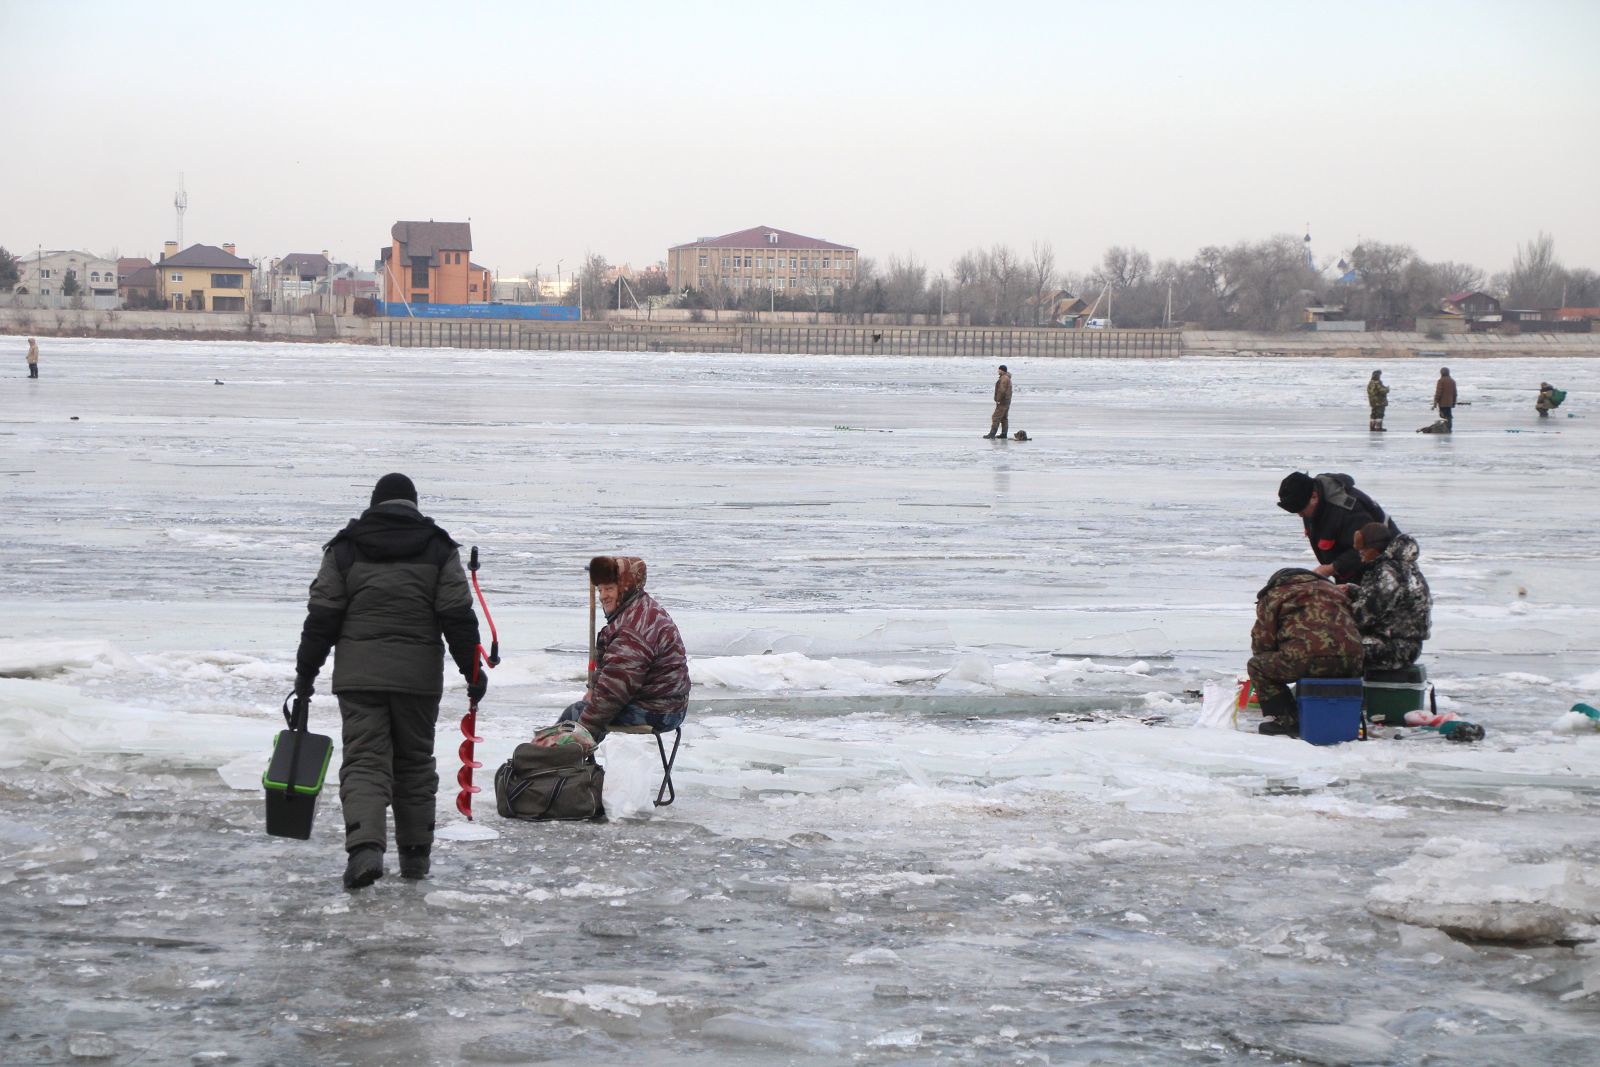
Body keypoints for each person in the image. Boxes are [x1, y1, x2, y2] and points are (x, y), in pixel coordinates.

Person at [294, 473, 484, 890]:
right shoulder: (438, 548)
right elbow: (457, 616)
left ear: (374, 503)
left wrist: (305, 674)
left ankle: (365, 850)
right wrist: (472, 672)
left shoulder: (345, 547)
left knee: (365, 761)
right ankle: (415, 859)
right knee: (414, 763)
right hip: (418, 679)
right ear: (414, 504)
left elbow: (322, 617)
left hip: (359, 677)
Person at [544, 555, 689, 749]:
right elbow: (613, 670)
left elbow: (614, 690)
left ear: (627, 586)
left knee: (576, 717)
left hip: (660, 710)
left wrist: (581, 731)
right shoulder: (638, 608)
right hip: (665, 704)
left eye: (610, 588)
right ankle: (572, 770)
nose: (603, 595)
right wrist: (594, 689)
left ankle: (555, 767)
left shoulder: (635, 626)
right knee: (585, 712)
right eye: (600, 589)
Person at [1248, 568, 1365, 736]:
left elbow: (1262, 643)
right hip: (1353, 661)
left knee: (1257, 666)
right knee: (1326, 664)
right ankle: (1344, 716)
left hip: (1304, 659)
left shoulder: (1274, 595)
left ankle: (1285, 720)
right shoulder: (1336, 592)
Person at [1277, 471, 1400, 584]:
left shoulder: (1347, 511)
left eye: (1301, 510)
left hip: (1386, 571)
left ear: (1314, 497)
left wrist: (1333, 567)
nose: (1300, 515)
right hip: (1349, 572)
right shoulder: (1311, 501)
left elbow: (1369, 548)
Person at [1347, 521, 1431, 671]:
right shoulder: (1401, 567)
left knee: (1335, 649)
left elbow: (1364, 616)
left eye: (1363, 551)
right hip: (1405, 644)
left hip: (1396, 648)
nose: (1361, 557)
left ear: (1374, 550)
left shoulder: (1389, 573)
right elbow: (1385, 600)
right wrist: (1352, 591)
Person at [982, 364, 1012, 440]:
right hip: (1006, 401)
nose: (998, 371)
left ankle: (992, 434)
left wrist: (998, 399)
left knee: (996, 417)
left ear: (1002, 370)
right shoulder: (1006, 378)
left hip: (1002, 402)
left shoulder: (1004, 379)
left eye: (999, 369)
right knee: (1004, 418)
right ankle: (1004, 434)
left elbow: (1002, 390)